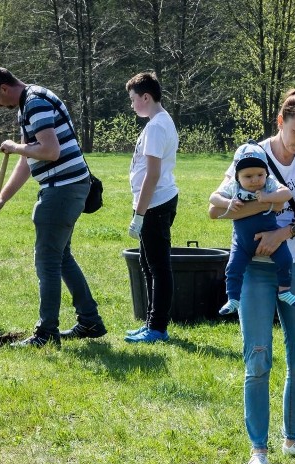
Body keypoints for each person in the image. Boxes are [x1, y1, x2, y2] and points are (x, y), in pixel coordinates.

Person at [208, 90, 295, 464]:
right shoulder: (252, 154)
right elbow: (216, 208)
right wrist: (266, 204)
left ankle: (293, 439)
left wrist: (284, 232)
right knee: (257, 360)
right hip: (253, 272)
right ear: (281, 121)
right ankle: (258, 450)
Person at [0, 65, 106, 347]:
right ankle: (90, 321)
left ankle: (46, 333)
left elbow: (50, 151)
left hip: (62, 190)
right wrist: (2, 198)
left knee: (47, 262)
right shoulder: (30, 102)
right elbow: (29, 160)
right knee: (61, 258)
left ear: (3, 88)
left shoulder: (35, 102)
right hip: (67, 187)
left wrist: (15, 146)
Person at [124, 71, 179, 344]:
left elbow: (152, 174)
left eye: (134, 99)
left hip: (156, 204)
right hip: (155, 202)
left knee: (158, 267)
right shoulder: (159, 122)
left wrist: (139, 215)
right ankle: (150, 323)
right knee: (148, 264)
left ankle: (157, 328)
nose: (132, 104)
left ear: (146, 97)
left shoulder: (157, 126)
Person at [215, 142, 295, 316]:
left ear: (266, 173)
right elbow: (213, 198)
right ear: (237, 176)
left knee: (285, 260)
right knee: (233, 268)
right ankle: (233, 299)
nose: (255, 180)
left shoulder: (268, 184)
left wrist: (268, 197)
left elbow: (287, 194)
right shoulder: (233, 187)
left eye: (260, 174)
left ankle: (285, 291)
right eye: (248, 176)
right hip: (242, 242)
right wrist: (227, 202)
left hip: (270, 235)